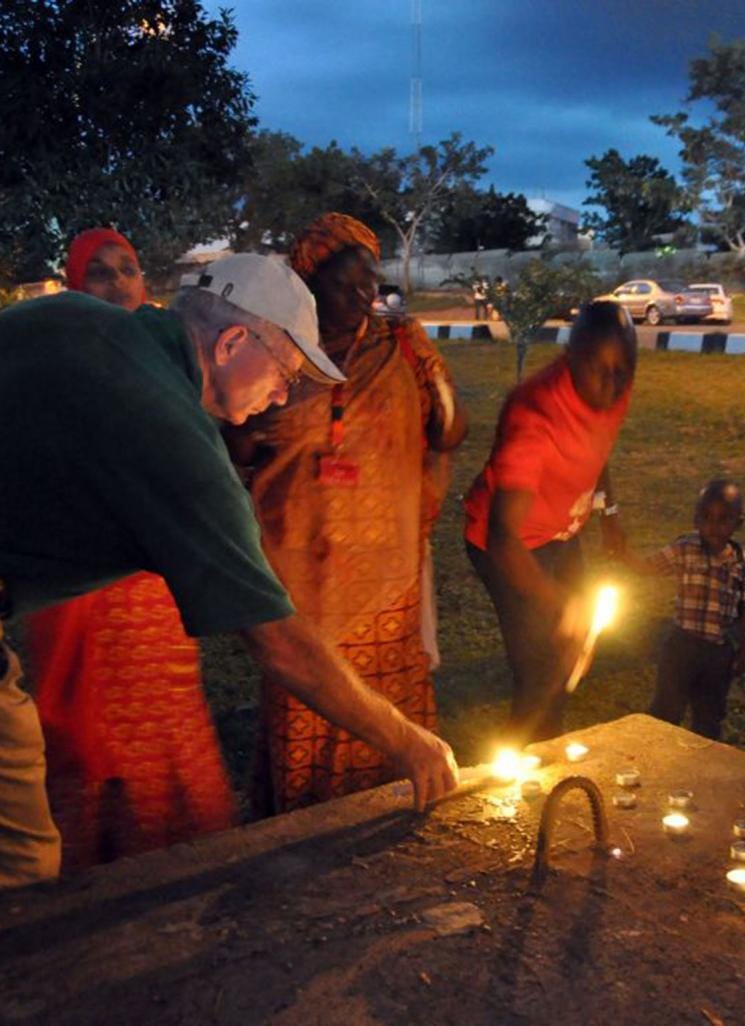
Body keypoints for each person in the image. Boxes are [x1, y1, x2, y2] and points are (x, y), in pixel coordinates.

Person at [0, 252, 459, 888]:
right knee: (20, 863)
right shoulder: (173, 437)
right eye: (285, 376)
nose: (281, 397)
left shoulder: (70, 316)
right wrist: (410, 742)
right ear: (233, 342)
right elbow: (277, 642)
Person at [230, 213, 468, 814]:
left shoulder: (399, 343)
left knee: (390, 697)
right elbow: (235, 439)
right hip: (304, 567)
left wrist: (436, 388)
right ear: (309, 283)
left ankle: (388, 807)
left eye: (372, 281)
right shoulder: (277, 347)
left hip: (387, 570)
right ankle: (305, 829)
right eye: (348, 284)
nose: (366, 295)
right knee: (309, 690)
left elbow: (449, 432)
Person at [23, 229, 236, 871]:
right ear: (74, 288)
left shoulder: (167, 363)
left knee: (172, 730)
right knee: (95, 749)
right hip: (85, 589)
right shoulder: (60, 362)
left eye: (128, 269)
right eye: (100, 274)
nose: (118, 284)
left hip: (156, 592)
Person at [464, 301, 636, 743]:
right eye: (601, 369)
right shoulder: (534, 417)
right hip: (508, 545)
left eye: (624, 369)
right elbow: (503, 538)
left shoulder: (613, 384)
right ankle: (513, 775)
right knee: (540, 666)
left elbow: (598, 444)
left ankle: (547, 750)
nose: (614, 383)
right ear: (572, 359)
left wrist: (608, 513)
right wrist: (559, 602)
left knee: (568, 652)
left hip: (560, 533)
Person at [622, 480, 745, 741]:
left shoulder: (739, 559)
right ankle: (655, 752)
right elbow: (649, 567)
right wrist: (623, 556)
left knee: (709, 715)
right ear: (696, 520)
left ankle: (701, 765)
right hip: (682, 646)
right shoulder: (686, 548)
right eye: (706, 518)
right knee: (666, 708)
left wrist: (744, 648)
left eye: (723, 520)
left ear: (738, 523)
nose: (713, 527)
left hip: (718, 652)